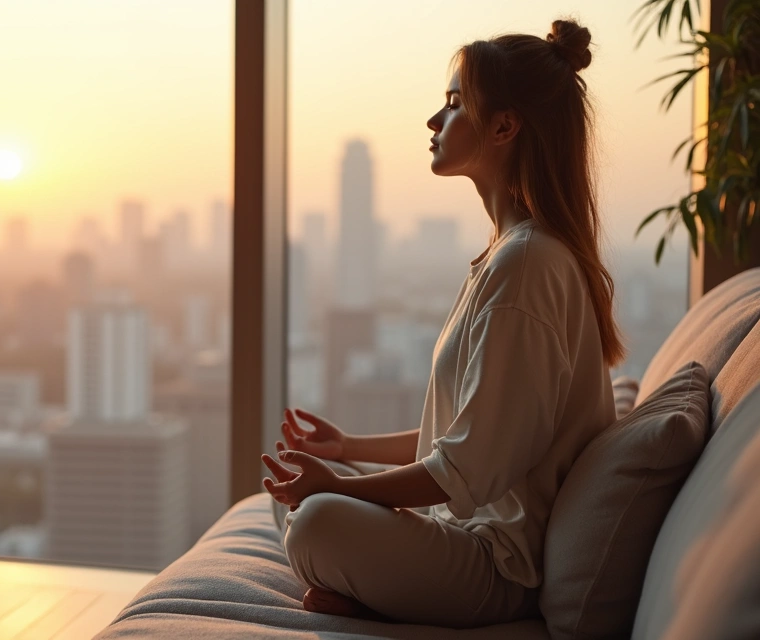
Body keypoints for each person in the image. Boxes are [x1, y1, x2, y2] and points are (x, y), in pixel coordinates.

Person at [261, 19, 621, 629]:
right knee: (296, 497)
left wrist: (342, 489)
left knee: (317, 518)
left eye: (455, 104)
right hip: (458, 531)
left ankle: (362, 588)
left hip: (496, 567)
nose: (434, 121)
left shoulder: (528, 264)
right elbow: (461, 434)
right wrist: (345, 452)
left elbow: (465, 470)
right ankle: (361, 585)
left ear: (504, 126)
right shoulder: (508, 254)